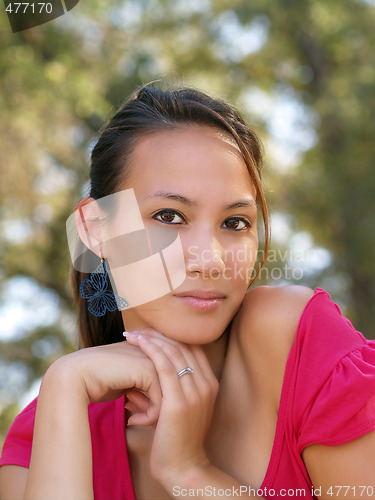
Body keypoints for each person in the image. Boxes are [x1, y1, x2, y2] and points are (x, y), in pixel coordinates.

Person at [0, 83, 375, 500]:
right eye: (169, 216)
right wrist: (66, 379)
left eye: (235, 223)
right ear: (93, 230)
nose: (210, 259)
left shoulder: (292, 343)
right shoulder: (49, 430)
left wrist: (191, 473)